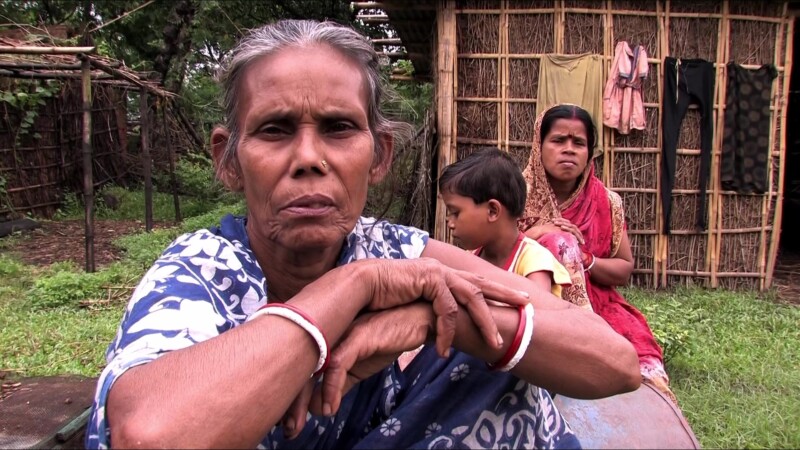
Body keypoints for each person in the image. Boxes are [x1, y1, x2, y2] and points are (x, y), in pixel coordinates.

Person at [85, 21, 641, 449]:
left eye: (339, 128)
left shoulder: (398, 248)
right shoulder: (201, 271)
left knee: (492, 350)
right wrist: (350, 288)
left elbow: (613, 361)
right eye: (274, 130)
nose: (308, 158)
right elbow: (149, 434)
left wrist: (430, 317)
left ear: (379, 156)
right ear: (228, 160)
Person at [519, 103, 676, 403]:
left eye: (579, 143)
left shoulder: (606, 201)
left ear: (590, 152)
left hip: (598, 307)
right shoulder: (513, 193)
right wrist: (538, 234)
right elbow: (486, 256)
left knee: (644, 377)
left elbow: (623, 268)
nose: (569, 149)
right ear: (538, 145)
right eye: (558, 140)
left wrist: (584, 258)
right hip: (527, 305)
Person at [439, 147, 572, 297]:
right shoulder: (469, 258)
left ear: (492, 211)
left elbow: (536, 312)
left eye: (456, 213)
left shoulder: (534, 260)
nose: (450, 223)